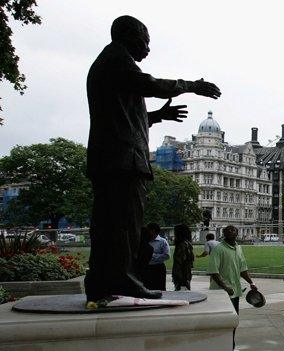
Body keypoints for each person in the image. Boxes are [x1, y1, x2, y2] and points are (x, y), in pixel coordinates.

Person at [84, 15, 220, 301]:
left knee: (108, 225)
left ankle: (100, 281)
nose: (147, 48)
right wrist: (193, 85)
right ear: (127, 35)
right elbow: (152, 85)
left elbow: (123, 117)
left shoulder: (108, 65)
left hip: (111, 156)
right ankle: (122, 278)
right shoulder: (117, 60)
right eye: (144, 41)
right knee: (125, 226)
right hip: (123, 159)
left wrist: (157, 117)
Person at [206, 225, 257, 351]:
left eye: (233, 230)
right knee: (221, 322)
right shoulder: (218, 249)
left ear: (237, 233)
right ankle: (222, 346)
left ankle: (230, 346)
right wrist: (225, 287)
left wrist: (251, 283)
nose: (230, 231)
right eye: (227, 230)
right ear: (224, 234)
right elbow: (213, 271)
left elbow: (242, 269)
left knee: (233, 321)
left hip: (234, 292)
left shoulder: (238, 248)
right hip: (221, 294)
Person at [143, 223, 170, 291]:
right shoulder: (145, 241)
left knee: (160, 288)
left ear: (153, 231)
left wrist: (152, 256)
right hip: (147, 268)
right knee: (147, 289)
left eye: (148, 230)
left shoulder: (162, 241)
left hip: (158, 268)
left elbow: (167, 256)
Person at [172, 224, 194, 291]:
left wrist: (177, 277)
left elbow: (179, 262)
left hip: (182, 276)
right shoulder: (188, 243)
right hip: (187, 274)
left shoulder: (181, 245)